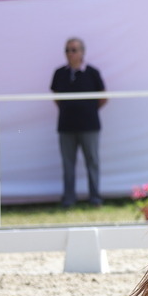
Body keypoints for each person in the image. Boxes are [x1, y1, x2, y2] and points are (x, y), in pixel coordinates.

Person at [50, 37, 106, 207]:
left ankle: (95, 198)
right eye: (67, 50)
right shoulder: (60, 73)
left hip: (89, 126)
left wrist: (88, 111)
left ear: (82, 52)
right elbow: (56, 97)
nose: (70, 53)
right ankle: (69, 199)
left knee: (92, 162)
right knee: (68, 165)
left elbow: (103, 97)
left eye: (73, 50)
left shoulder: (92, 73)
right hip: (66, 126)